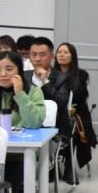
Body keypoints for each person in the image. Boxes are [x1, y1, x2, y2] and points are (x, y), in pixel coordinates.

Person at [0, 51, 46, 193]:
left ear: (19, 70)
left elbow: (35, 122)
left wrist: (20, 94)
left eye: (9, 69)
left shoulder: (32, 91)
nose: (3, 74)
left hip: (17, 154)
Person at [29, 37, 73, 178]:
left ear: (51, 56)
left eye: (42, 55)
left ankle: (49, 166)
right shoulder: (23, 76)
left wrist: (45, 81)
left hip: (55, 126)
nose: (37, 59)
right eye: (33, 54)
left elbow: (61, 102)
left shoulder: (63, 77)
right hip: (27, 125)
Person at [54, 42, 97, 181]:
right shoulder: (51, 73)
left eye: (66, 52)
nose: (61, 55)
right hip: (55, 111)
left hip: (76, 111)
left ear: (72, 56)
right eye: (59, 52)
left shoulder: (81, 75)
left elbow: (79, 94)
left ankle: (69, 167)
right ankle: (51, 166)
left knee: (71, 127)